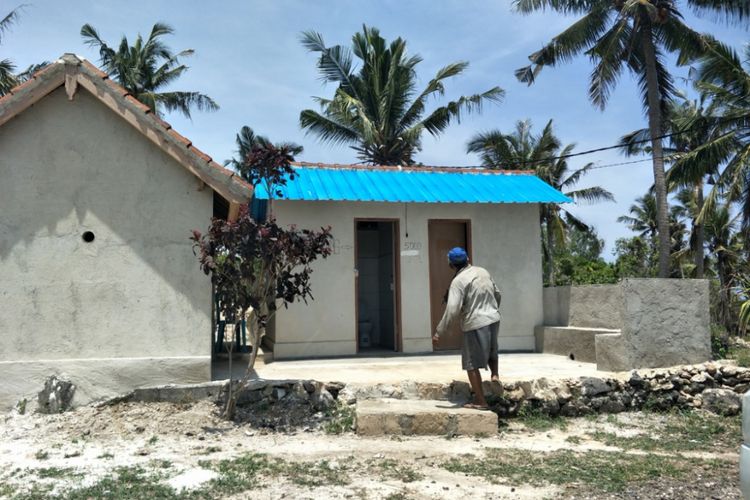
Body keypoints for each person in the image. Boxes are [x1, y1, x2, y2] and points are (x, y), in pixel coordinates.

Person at [432, 247, 501, 410]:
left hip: (475, 322)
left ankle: (480, 400)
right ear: (468, 259)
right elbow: (497, 293)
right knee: (492, 348)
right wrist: (492, 310)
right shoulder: (482, 271)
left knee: (471, 363)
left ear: (451, 264)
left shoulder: (458, 281)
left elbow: (452, 309)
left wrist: (439, 331)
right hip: (494, 317)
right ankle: (495, 375)